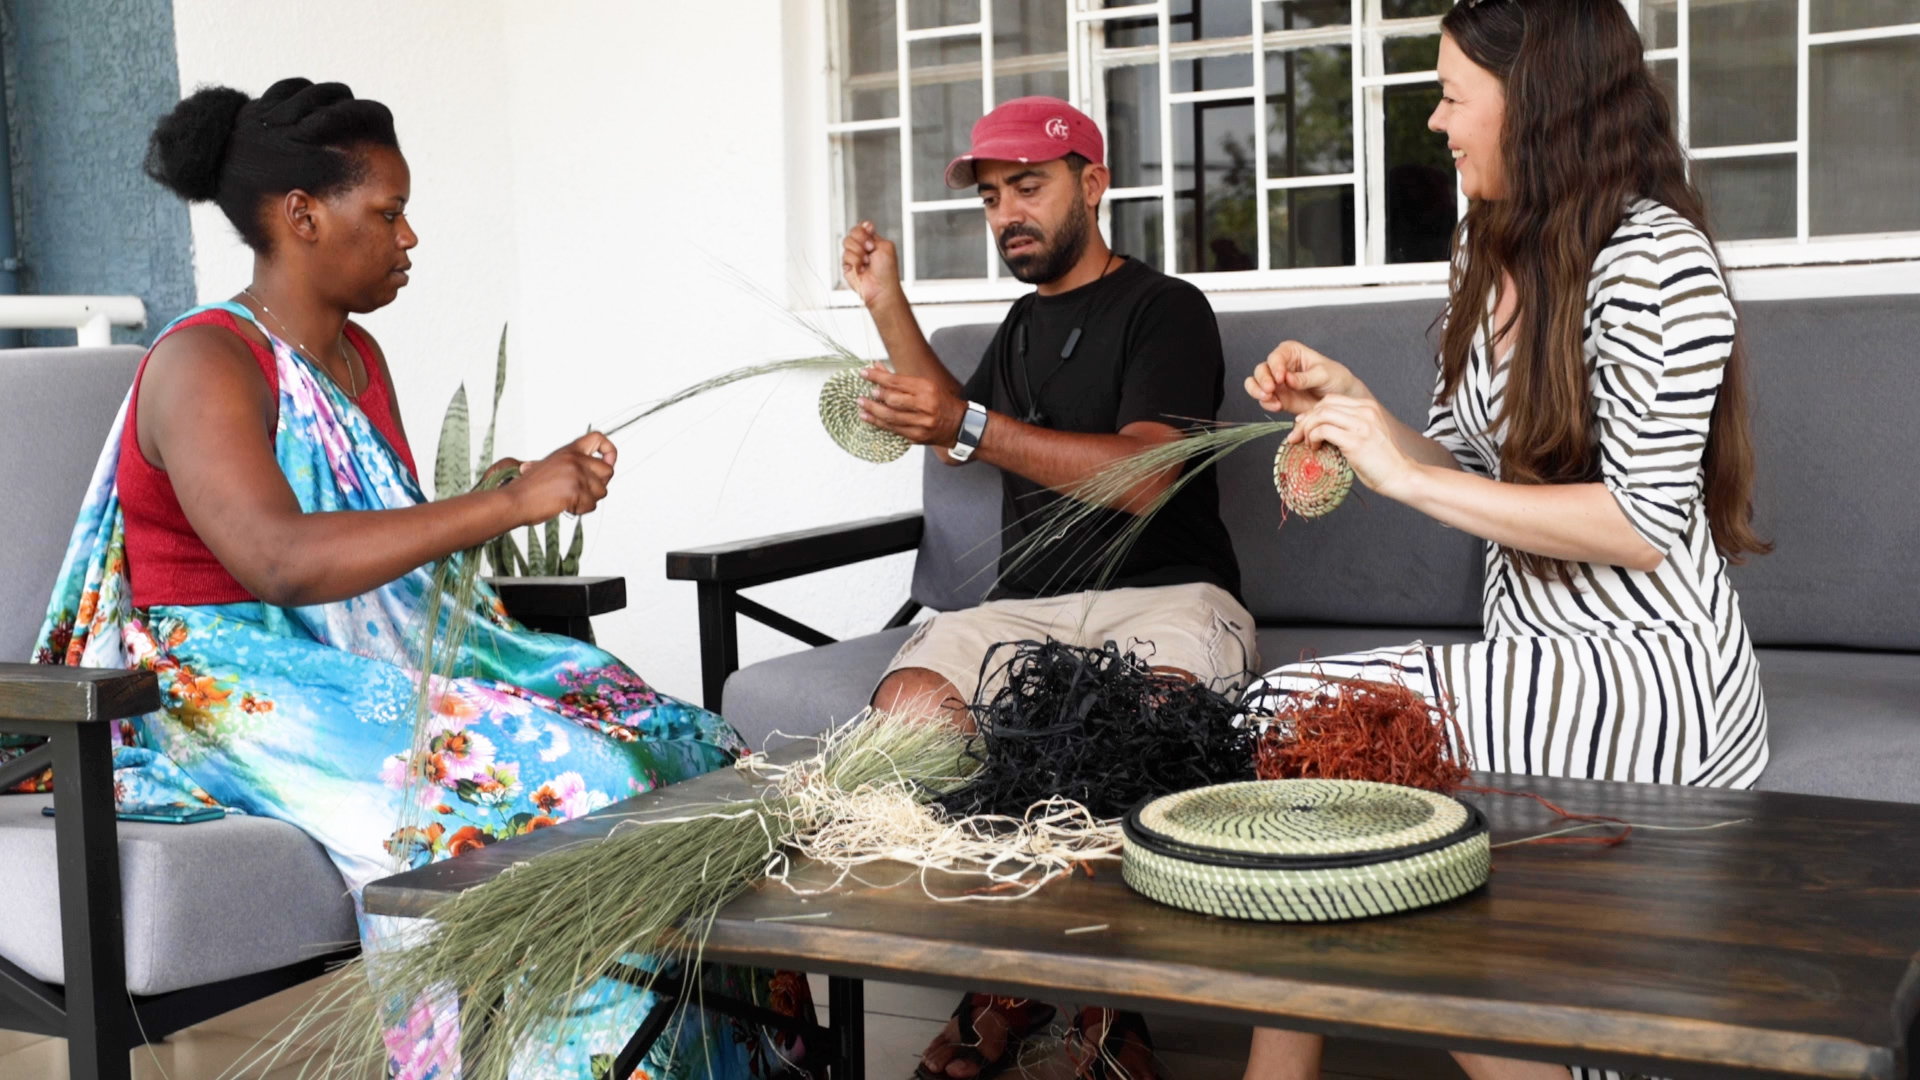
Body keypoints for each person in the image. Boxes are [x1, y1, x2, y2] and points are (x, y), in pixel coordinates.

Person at [32, 78, 810, 1080]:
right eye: (388, 213)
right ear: (303, 216)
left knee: (694, 743)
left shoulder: (358, 356)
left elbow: (372, 530)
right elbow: (276, 558)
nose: (408, 239)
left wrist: (503, 490)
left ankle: (718, 1065)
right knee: (588, 782)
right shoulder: (204, 363)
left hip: (361, 656)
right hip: (222, 683)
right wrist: (503, 508)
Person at [1235, 2, 1769, 1079]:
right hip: (1533, 658)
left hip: (1648, 671)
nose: (1434, 122)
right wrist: (1360, 413)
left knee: (1287, 719)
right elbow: (1478, 472)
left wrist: (1397, 477)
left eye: (1449, 95)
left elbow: (1640, 525)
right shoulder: (1490, 238)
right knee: (1351, 807)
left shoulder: (1657, 264)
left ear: (1537, 103)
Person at [842, 96, 1256, 1080]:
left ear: (1094, 183)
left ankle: (1115, 1000)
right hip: (1023, 610)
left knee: (1150, 722)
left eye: (1027, 187)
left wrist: (973, 423)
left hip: (1165, 595)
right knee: (911, 708)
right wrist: (884, 303)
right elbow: (947, 423)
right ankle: (1005, 976)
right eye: (991, 199)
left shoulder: (1168, 311)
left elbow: (1147, 475)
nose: (1005, 215)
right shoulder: (1022, 326)